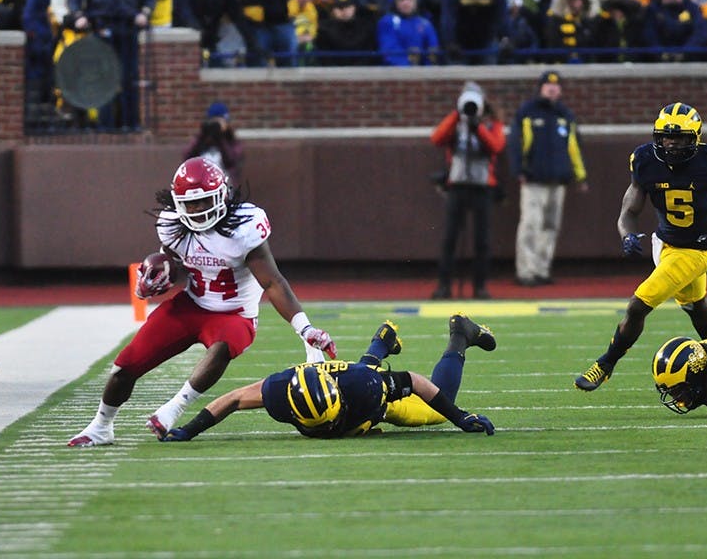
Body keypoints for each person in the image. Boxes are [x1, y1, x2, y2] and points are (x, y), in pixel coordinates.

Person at [67, 157, 337, 447]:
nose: (197, 210)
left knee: (221, 347)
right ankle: (101, 426)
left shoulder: (245, 226)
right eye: (190, 204)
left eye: (204, 202)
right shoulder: (171, 224)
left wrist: (305, 328)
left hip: (235, 314)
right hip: (191, 306)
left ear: (221, 195)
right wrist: (158, 274)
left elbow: (272, 282)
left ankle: (173, 409)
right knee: (125, 366)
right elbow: (178, 263)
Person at [575, 102, 707, 392]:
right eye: (666, 136)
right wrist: (627, 234)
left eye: (680, 137)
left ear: (695, 138)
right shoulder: (645, 159)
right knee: (695, 306)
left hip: (697, 251)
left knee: (638, 305)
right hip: (663, 243)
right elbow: (629, 209)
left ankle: (606, 363)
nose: (671, 143)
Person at [160, 317, 496, 441]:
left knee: (433, 412)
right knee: (365, 373)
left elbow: (416, 381)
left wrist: (459, 417)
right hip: (353, 380)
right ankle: (381, 341)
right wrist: (189, 430)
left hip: (361, 388)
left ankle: (460, 335)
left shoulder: (364, 391)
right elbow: (231, 399)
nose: (324, 431)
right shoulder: (278, 393)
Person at [67, 0, 155, 131]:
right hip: (101, 25)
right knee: (103, 76)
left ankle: (131, 123)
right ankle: (104, 126)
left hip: (129, 25)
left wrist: (145, 12)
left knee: (130, 77)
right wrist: (79, 15)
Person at [509, 71, 589, 287]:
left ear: (560, 90)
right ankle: (525, 271)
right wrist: (519, 171)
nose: (552, 89)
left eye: (556, 86)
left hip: (558, 182)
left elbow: (574, 147)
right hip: (533, 181)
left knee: (551, 227)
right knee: (530, 225)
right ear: (540, 88)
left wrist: (580, 176)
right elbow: (516, 144)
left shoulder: (565, 115)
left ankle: (542, 270)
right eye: (547, 85)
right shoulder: (527, 112)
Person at [430, 81, 506, 300]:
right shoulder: (456, 122)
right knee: (450, 238)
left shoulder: (492, 124)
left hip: (483, 187)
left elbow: (496, 146)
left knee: (482, 241)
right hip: (457, 185)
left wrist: (478, 127)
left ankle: (480, 287)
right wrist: (457, 115)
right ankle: (444, 286)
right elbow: (437, 138)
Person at [183, 102, 245, 187]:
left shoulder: (231, 141)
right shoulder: (202, 140)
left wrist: (220, 138)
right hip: (203, 186)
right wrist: (203, 135)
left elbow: (231, 161)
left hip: (226, 185)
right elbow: (188, 158)